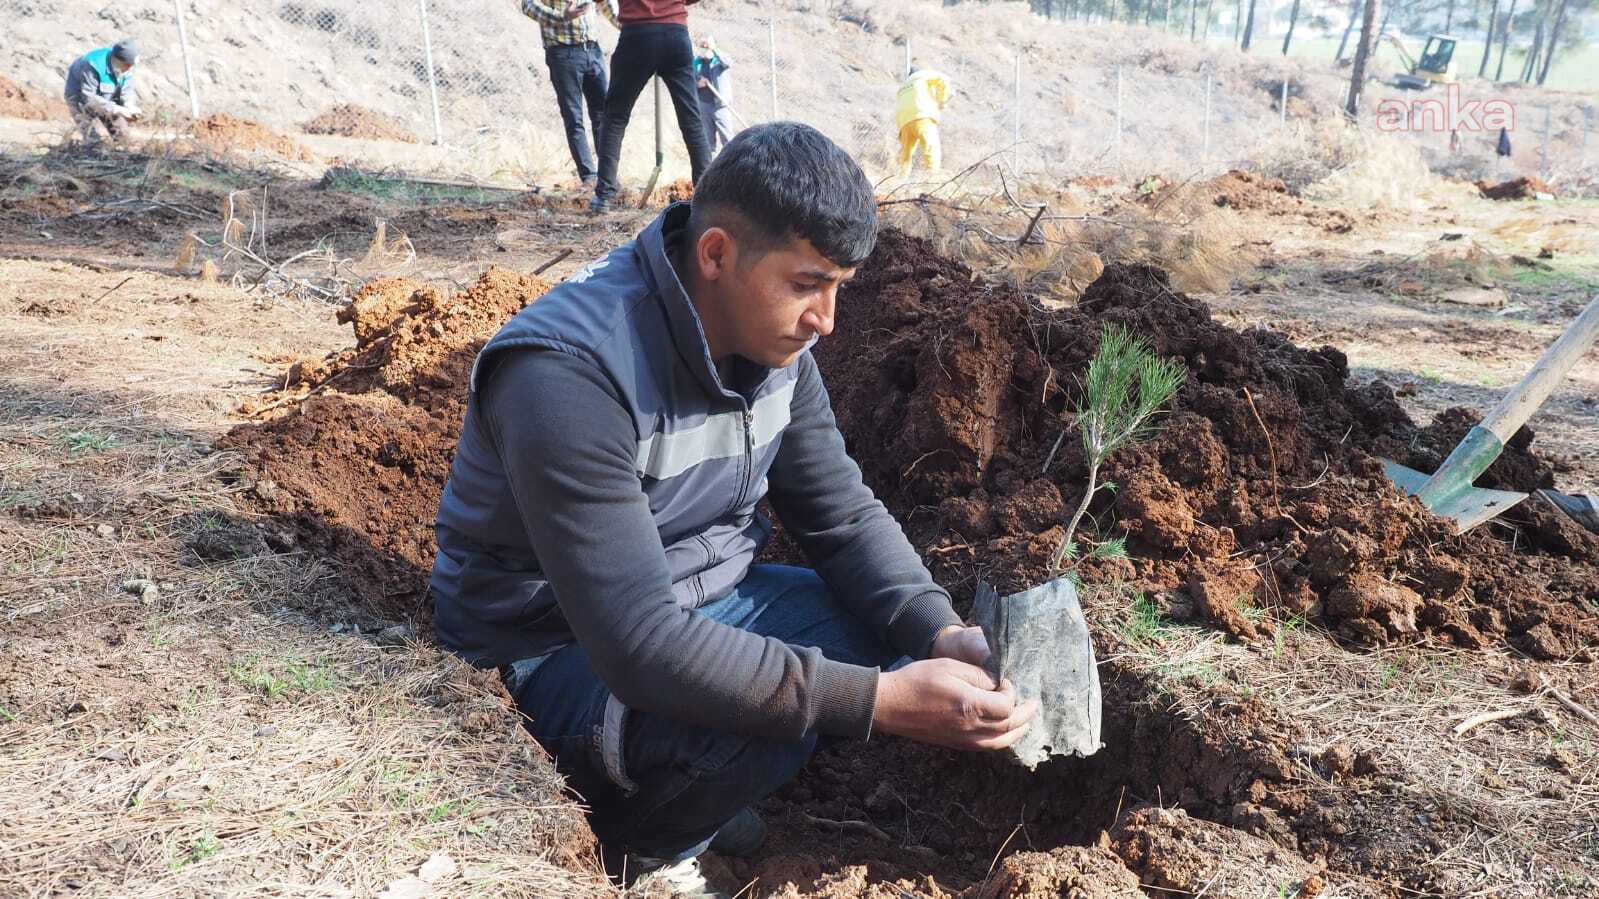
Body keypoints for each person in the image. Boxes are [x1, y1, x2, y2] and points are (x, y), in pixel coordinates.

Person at [430, 122, 1035, 899]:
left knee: (867, 630)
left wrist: (937, 631)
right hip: (549, 650)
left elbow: (840, 513)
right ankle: (631, 844)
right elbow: (640, 644)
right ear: (715, 254)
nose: (827, 320)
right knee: (779, 707)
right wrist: (880, 702)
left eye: (839, 287)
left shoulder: (771, 344)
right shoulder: (569, 375)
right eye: (807, 283)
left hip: (693, 600)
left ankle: (691, 808)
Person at [588, 0, 713, 212]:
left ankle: (604, 195)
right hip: (675, 33)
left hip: (637, 35)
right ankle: (708, 198)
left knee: (615, 118)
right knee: (691, 120)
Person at [520, 0, 620, 189]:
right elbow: (528, 6)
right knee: (574, 119)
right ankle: (589, 177)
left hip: (592, 49)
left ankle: (609, 177)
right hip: (563, 52)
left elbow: (607, 6)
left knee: (604, 116)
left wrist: (632, 28)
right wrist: (563, 16)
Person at [64, 39, 142, 146]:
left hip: (107, 99)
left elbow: (127, 90)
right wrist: (117, 109)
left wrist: (129, 105)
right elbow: (89, 98)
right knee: (94, 141)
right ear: (119, 61)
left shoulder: (127, 67)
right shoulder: (92, 64)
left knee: (122, 136)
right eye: (128, 65)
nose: (130, 68)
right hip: (79, 98)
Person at [895, 61, 949, 179]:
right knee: (931, 147)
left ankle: (900, 179)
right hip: (921, 116)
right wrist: (942, 101)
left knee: (906, 155)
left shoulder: (902, 88)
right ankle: (933, 179)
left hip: (904, 122)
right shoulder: (922, 76)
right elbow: (944, 79)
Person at [693, 36, 735, 155]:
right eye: (702, 46)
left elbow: (728, 63)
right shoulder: (696, 62)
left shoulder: (719, 61)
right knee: (707, 141)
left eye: (707, 46)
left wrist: (714, 49)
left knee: (728, 140)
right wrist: (697, 84)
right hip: (704, 105)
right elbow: (689, 79)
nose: (704, 49)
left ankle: (731, 165)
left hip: (720, 105)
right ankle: (709, 167)